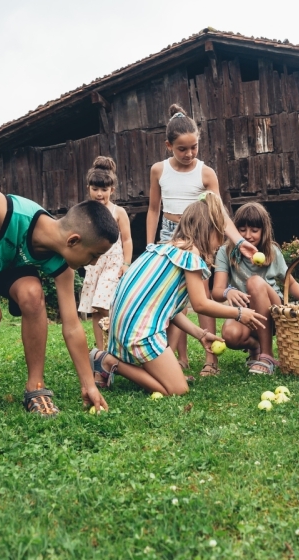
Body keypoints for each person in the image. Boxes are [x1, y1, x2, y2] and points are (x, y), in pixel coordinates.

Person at [0, 177, 119, 416]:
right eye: (94, 255)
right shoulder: (13, 215)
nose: (95, 263)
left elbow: (72, 326)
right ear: (73, 240)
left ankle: (35, 386)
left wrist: (88, 384)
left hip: (10, 268)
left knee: (33, 294)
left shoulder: (61, 265)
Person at [90, 192, 266, 396]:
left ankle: (118, 362)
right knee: (177, 389)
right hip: (139, 334)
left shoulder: (164, 249)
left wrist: (200, 334)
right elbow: (200, 304)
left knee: (170, 379)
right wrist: (238, 313)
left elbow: (171, 312)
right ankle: (108, 362)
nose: (220, 242)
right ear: (209, 231)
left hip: (121, 329)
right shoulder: (191, 255)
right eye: (220, 234)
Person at [146, 104, 256, 375]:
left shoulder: (206, 173)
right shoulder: (158, 170)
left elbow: (219, 215)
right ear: (168, 145)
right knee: (170, 296)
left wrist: (239, 242)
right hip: (168, 235)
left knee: (202, 295)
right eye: (182, 148)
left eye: (194, 147)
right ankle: (176, 358)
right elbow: (153, 209)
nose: (189, 153)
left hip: (198, 238)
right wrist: (151, 244)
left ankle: (211, 358)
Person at [212, 202, 299, 375]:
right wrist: (228, 291)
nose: (248, 235)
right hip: (246, 313)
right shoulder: (226, 252)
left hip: (273, 311)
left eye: (254, 230)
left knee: (255, 282)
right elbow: (216, 292)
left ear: (264, 231)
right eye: (242, 230)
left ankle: (267, 355)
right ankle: (256, 348)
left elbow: (289, 282)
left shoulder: (272, 251)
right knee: (230, 335)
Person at [77, 157, 133, 350]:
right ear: (88, 188)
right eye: (95, 189)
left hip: (113, 265)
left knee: (104, 303)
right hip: (94, 266)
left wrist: (126, 264)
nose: (99, 194)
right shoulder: (84, 212)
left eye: (104, 190)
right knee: (96, 309)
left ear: (112, 190)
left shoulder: (118, 212)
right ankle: (101, 351)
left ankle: (119, 340)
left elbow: (127, 240)